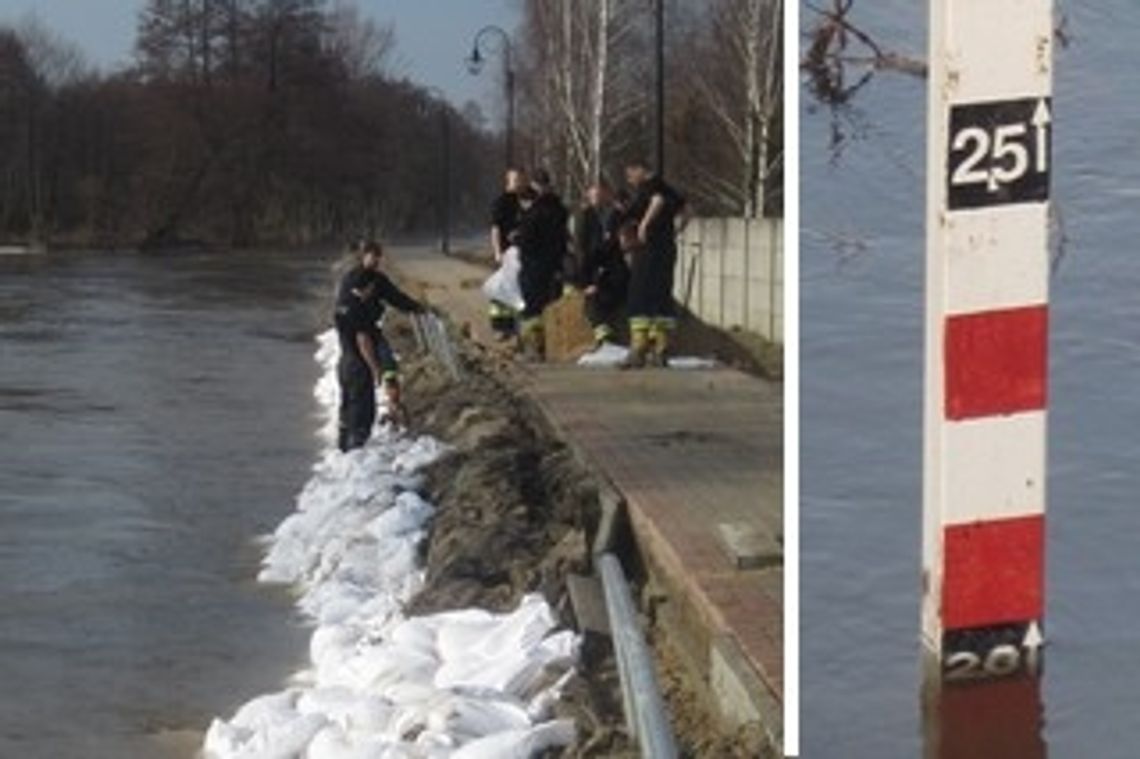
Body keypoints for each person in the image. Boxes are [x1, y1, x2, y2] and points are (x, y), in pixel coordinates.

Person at [334, 241, 424, 447]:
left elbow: (395, 297)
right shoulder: (353, 288)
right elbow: (361, 337)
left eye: (378, 256)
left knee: (351, 406)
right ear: (363, 256)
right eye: (372, 256)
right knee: (359, 409)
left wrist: (416, 308)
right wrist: (375, 369)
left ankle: (346, 455)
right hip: (355, 359)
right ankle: (352, 454)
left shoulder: (376, 280)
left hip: (358, 350)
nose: (376, 260)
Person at [622, 159, 690, 368]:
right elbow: (687, 211)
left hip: (648, 249)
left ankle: (639, 349)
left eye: (631, 174)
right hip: (666, 249)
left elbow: (657, 201)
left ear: (640, 170)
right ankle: (660, 349)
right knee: (661, 294)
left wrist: (644, 225)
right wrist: (677, 231)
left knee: (640, 294)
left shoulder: (650, 188)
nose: (630, 180)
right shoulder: (669, 189)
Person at [515, 169, 569, 361]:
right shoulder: (560, 209)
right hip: (554, 265)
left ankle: (535, 348)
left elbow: (527, 240)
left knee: (532, 308)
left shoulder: (534, 212)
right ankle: (550, 346)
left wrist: (517, 239)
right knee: (550, 304)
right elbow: (563, 238)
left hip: (534, 265)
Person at [574, 183, 629, 347]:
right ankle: (604, 337)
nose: (599, 199)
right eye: (595, 195)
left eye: (602, 195)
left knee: (605, 300)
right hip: (595, 267)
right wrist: (587, 280)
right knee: (595, 301)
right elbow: (583, 248)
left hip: (612, 268)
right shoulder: (585, 216)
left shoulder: (613, 215)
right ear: (589, 196)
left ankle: (607, 336)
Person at [488, 168, 528, 340]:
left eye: (521, 180)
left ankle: (517, 329)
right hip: (506, 252)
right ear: (508, 181)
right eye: (515, 180)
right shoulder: (502, 202)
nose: (519, 183)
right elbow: (496, 229)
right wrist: (497, 251)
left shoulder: (526, 201)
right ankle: (501, 328)